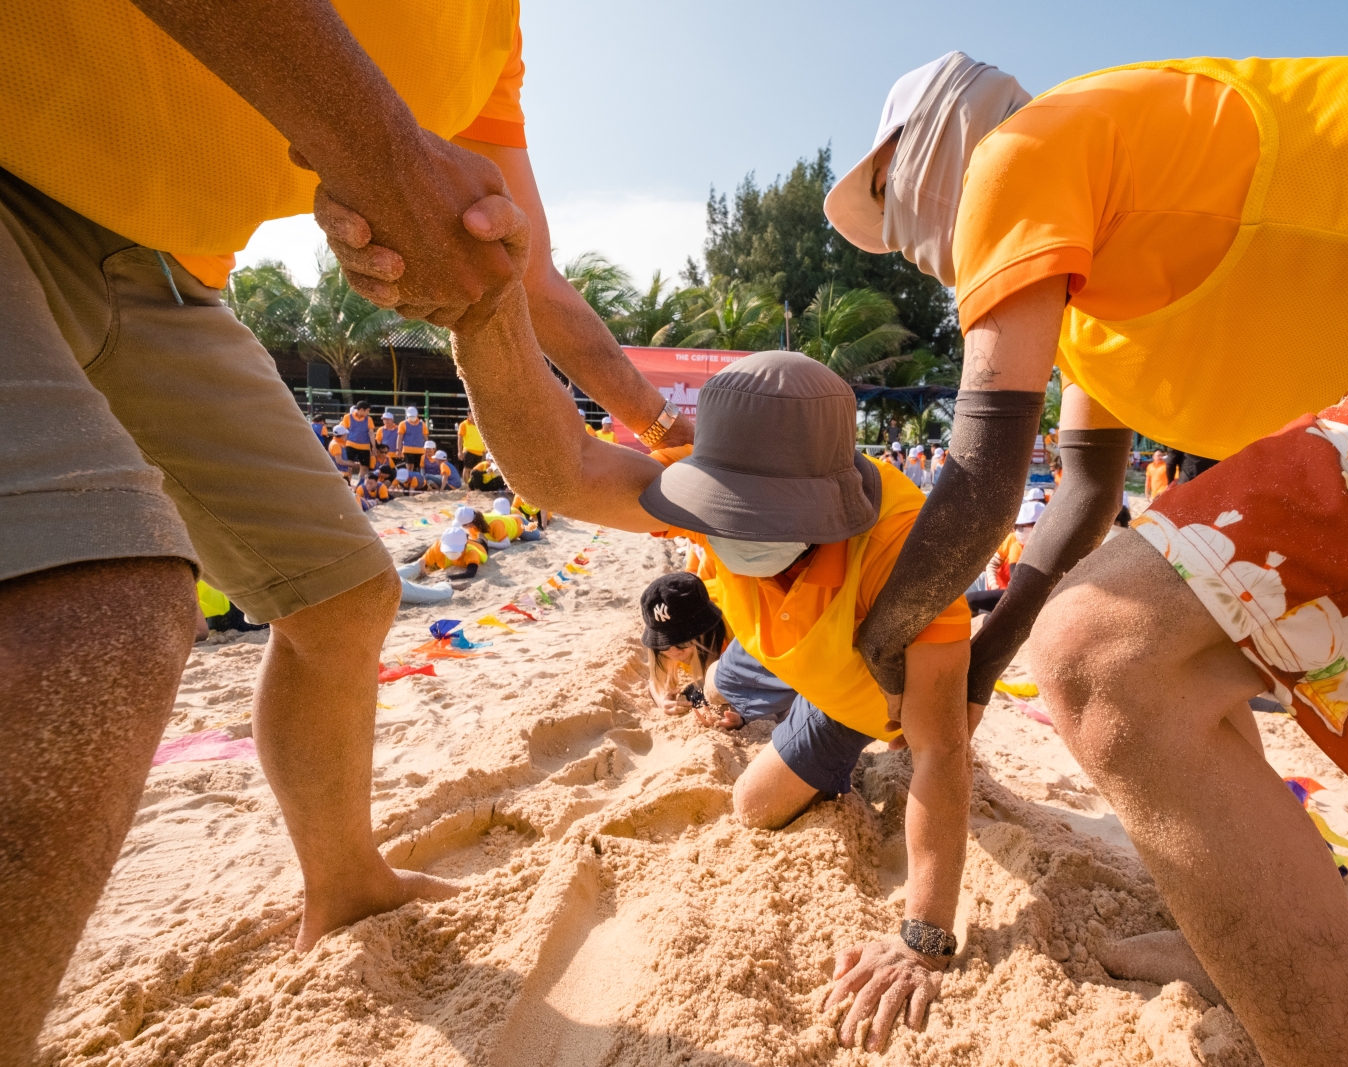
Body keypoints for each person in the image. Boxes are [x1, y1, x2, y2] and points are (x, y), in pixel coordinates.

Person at [826, 50, 1348, 1064]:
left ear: (928, 151)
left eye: (891, 202)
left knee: (1109, 650)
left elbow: (980, 471)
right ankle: (1236, 925)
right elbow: (1083, 501)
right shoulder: (1090, 300)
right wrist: (972, 672)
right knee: (1184, 625)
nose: (909, 250)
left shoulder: (1023, 149)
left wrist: (874, 643)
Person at [0, 2, 696, 1058]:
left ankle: (346, 880)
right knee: (96, 614)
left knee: (343, 596)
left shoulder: (487, 43)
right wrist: (384, 151)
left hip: (163, 273)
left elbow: (527, 291)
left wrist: (670, 441)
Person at [447, 281, 973, 1051]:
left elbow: (939, 748)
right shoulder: (707, 485)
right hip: (805, 668)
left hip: (876, 694)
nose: (731, 530)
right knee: (750, 803)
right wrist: (478, 313)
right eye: (725, 510)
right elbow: (555, 472)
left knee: (927, 730)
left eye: (757, 516)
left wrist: (922, 936)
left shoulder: (904, 552)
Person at [639, 571, 735, 725]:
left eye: (682, 642)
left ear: (705, 632)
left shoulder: (735, 636)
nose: (674, 652)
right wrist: (662, 701)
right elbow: (654, 682)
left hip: (719, 591)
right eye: (662, 643)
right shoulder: (670, 649)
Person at [966, 500, 1045, 616]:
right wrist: (993, 585)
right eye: (1017, 527)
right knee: (966, 599)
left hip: (1011, 594)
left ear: (1038, 525)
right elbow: (1014, 583)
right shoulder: (1016, 545)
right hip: (996, 587)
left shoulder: (1044, 547)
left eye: (1023, 527)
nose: (1018, 532)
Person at [416, 525, 487, 578]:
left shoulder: (472, 553)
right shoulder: (437, 546)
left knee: (481, 540)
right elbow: (422, 562)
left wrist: (448, 577)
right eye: (448, 550)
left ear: (465, 546)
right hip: (448, 557)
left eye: (455, 550)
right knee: (427, 553)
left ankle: (481, 536)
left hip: (479, 545)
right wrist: (421, 563)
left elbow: (470, 573)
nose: (451, 553)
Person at [338, 400, 377, 473]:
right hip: (350, 444)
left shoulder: (369, 419)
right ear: (362, 410)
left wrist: (373, 446)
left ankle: (361, 482)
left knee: (364, 466)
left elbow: (371, 433)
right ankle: (348, 480)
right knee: (349, 464)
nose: (368, 413)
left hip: (364, 446)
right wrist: (344, 444)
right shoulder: (347, 417)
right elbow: (344, 431)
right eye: (367, 411)